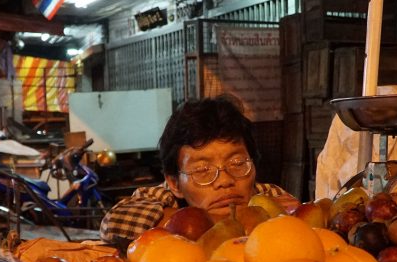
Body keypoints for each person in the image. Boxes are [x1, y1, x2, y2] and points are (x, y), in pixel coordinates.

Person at [100, 97, 297, 248]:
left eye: (237, 163)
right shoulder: (163, 197)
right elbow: (114, 222)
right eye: (203, 170)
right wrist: (214, 221)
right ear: (175, 183)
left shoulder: (267, 195)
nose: (225, 180)